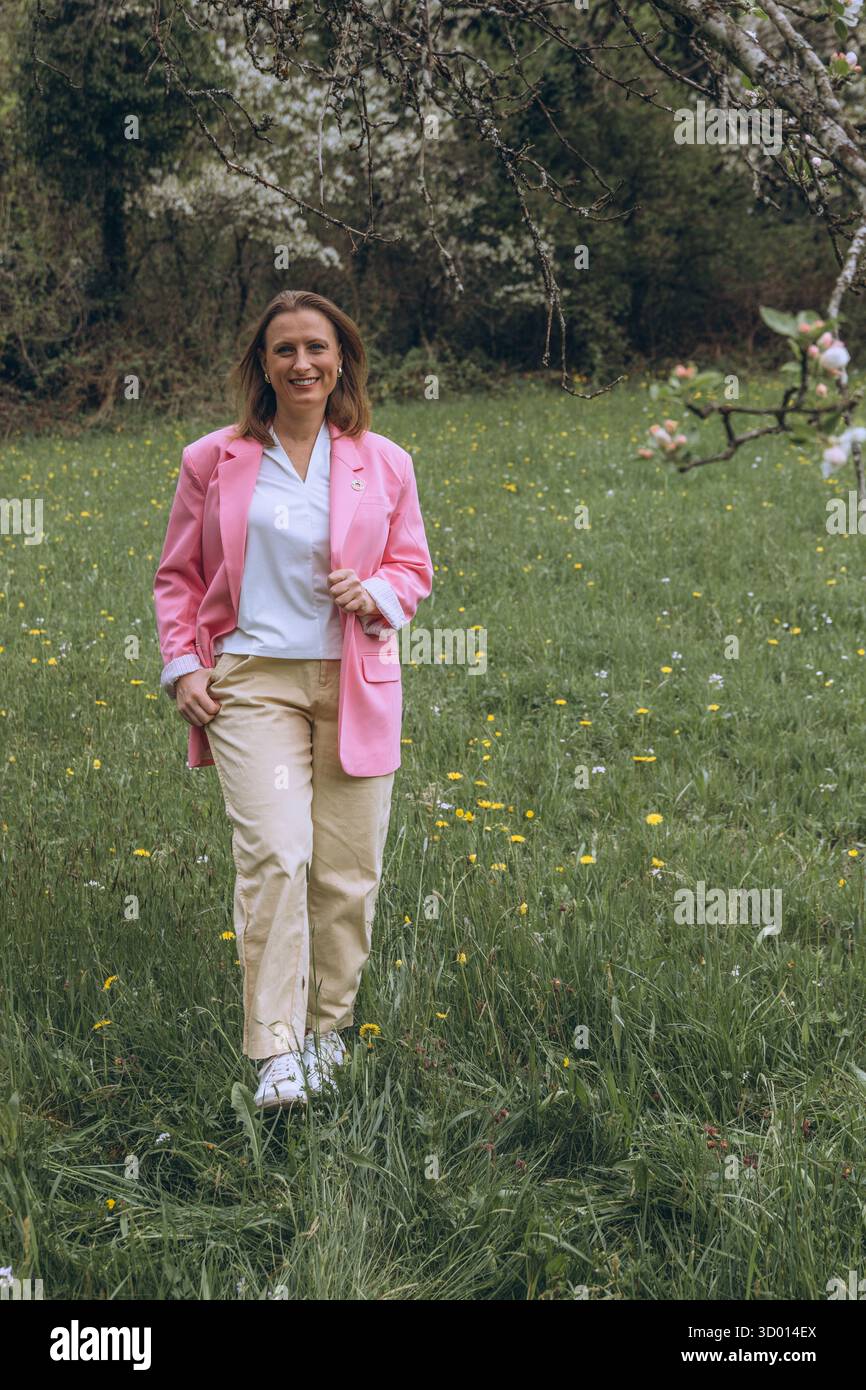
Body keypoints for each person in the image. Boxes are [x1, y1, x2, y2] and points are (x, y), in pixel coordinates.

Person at [153, 289, 433, 1109]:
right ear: (263, 366)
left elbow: (413, 567)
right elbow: (180, 576)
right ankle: (277, 1050)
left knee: (347, 873)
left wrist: (376, 589)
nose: (302, 362)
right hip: (252, 684)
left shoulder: (385, 461)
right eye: (285, 350)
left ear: (340, 358)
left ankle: (328, 1032)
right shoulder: (214, 459)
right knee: (276, 855)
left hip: (354, 681)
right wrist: (183, 665)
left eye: (317, 347)